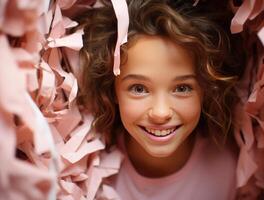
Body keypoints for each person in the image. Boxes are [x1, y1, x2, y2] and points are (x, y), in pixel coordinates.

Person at [76, 0, 245, 199]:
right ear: (112, 91)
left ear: (206, 89)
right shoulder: (89, 173)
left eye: (182, 88)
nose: (161, 112)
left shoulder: (231, 167)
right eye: (139, 89)